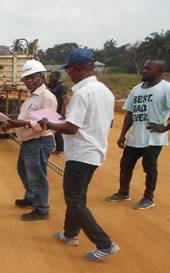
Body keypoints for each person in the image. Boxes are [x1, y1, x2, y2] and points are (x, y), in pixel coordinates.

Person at [34, 48, 119, 261]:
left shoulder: (82, 93)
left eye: (69, 70)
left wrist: (48, 123)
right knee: (77, 198)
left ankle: (105, 243)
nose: (68, 74)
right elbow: (106, 122)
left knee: (74, 200)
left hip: (81, 153)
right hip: (94, 152)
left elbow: (71, 128)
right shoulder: (105, 91)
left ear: (78, 68)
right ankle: (70, 233)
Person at [105, 59, 170, 210]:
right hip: (135, 137)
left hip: (153, 138)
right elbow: (130, 113)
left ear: (159, 71)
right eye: (144, 68)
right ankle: (123, 192)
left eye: (148, 68)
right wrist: (122, 134)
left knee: (149, 168)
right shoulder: (137, 88)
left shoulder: (167, 88)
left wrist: (165, 128)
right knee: (125, 165)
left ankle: (148, 198)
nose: (144, 70)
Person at [1, 59, 57, 221]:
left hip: (39, 141)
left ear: (42, 77)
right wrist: (12, 124)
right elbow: (27, 118)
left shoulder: (47, 97)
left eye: (34, 77)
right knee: (23, 171)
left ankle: (41, 209)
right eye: (27, 78)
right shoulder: (31, 96)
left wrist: (20, 123)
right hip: (29, 141)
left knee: (37, 176)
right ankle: (31, 197)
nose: (30, 80)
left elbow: (45, 125)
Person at [47, 71, 67, 154]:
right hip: (53, 110)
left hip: (58, 111)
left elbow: (65, 100)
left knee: (57, 130)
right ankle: (59, 148)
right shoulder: (53, 85)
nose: (50, 79)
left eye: (51, 77)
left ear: (57, 78)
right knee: (54, 129)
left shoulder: (61, 86)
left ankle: (60, 148)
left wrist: (62, 113)